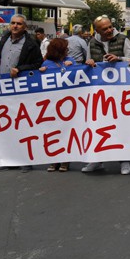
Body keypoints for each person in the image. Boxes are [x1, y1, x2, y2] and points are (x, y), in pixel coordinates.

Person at [0, 14, 42, 172]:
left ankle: (26, 160)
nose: (15, 26)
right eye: (13, 23)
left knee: (23, 125)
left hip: (20, 90)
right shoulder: (4, 40)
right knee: (7, 125)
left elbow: (38, 63)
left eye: (19, 24)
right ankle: (10, 159)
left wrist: (20, 69)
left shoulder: (31, 44)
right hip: (2, 89)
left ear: (24, 26)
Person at [82, 15, 130, 175]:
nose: (109, 30)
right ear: (97, 30)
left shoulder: (123, 39)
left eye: (110, 27)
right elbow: (88, 61)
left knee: (121, 126)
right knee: (98, 127)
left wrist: (119, 58)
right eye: (105, 29)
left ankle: (124, 160)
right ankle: (97, 160)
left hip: (120, 91)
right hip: (100, 92)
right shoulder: (92, 42)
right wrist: (90, 63)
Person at [39, 38, 75, 172]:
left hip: (67, 104)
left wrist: (73, 67)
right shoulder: (47, 63)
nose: (67, 50)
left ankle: (65, 159)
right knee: (53, 132)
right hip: (52, 104)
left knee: (66, 131)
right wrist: (40, 73)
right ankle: (54, 159)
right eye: (65, 48)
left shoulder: (71, 60)